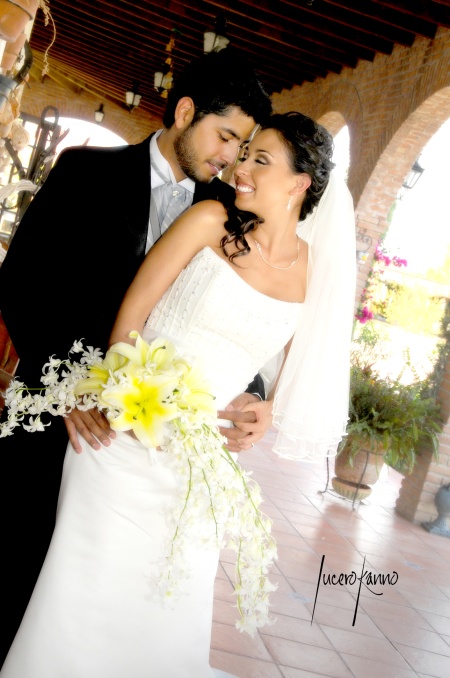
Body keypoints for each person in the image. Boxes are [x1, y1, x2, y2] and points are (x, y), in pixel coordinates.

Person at [0, 112, 356, 677]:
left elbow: (293, 374)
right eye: (244, 154)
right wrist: (127, 393)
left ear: (299, 184)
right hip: (121, 442)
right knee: (84, 587)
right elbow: (131, 317)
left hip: (199, 464)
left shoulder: (317, 274)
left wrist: (264, 411)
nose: (241, 167)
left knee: (168, 601)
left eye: (260, 159)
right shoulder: (209, 219)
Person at [0, 47, 274, 667]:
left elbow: (228, 313)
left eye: (243, 144)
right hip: (61, 426)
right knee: (24, 585)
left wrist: (254, 391)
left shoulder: (230, 219)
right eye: (225, 135)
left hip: (153, 455)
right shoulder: (83, 173)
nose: (231, 157)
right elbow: (22, 285)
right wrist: (69, 391)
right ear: (183, 112)